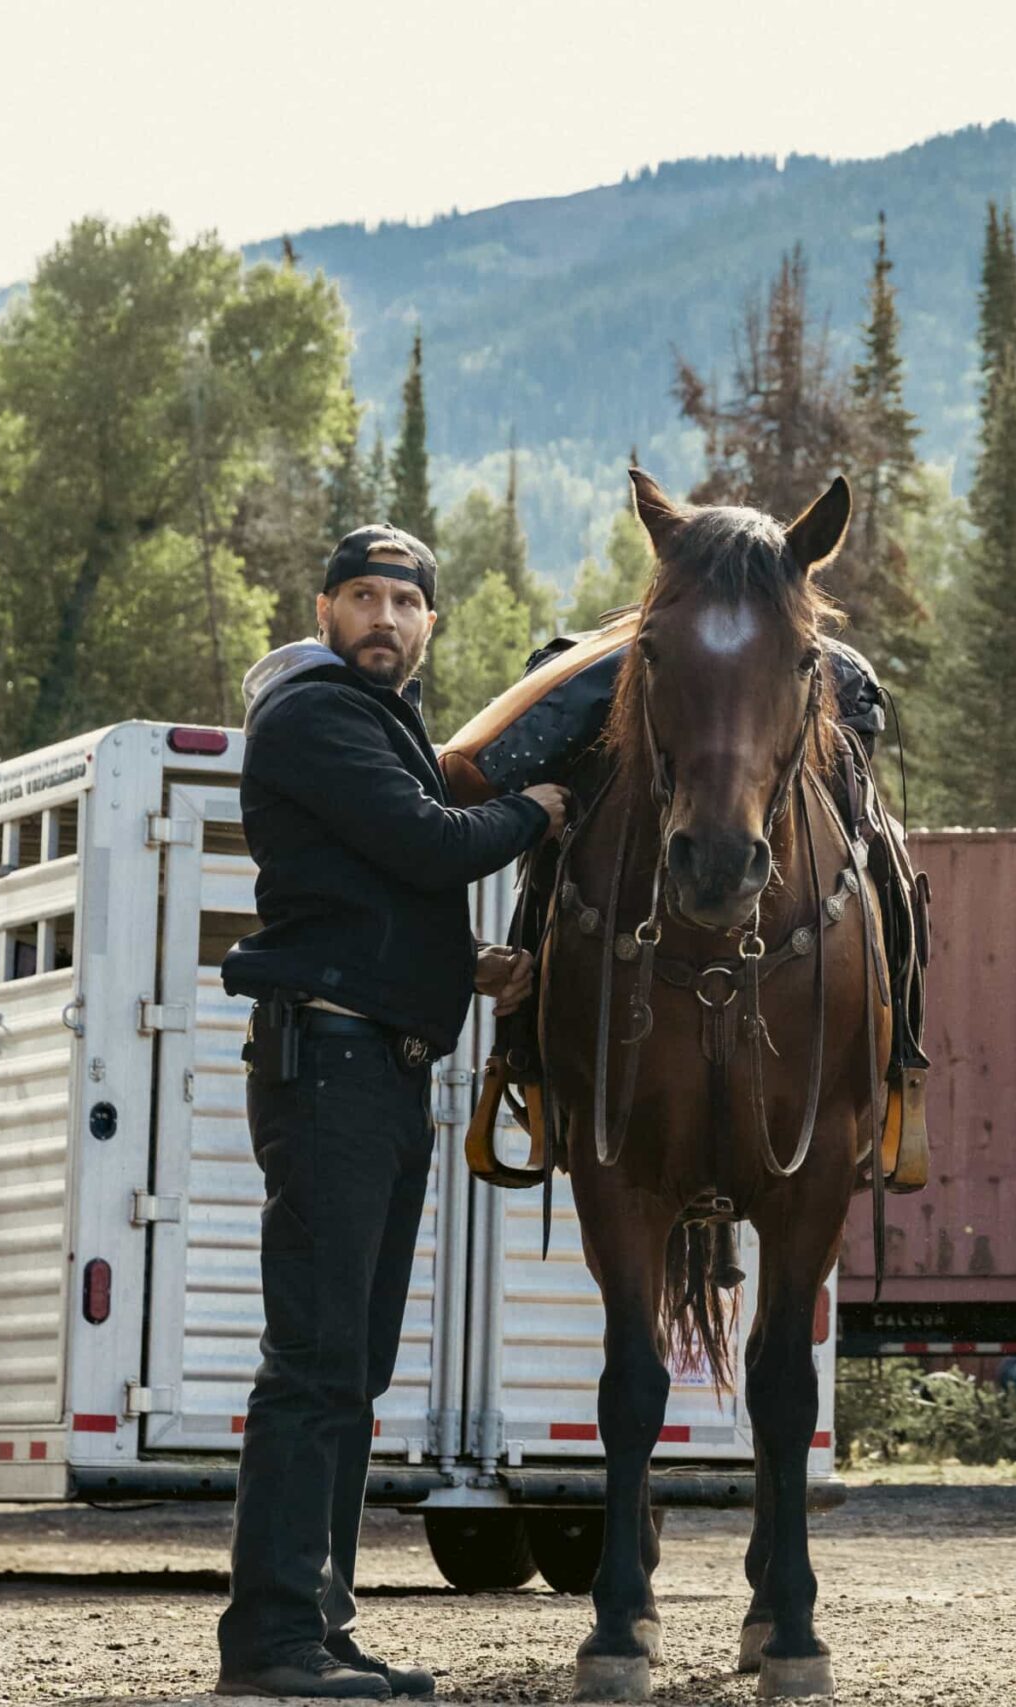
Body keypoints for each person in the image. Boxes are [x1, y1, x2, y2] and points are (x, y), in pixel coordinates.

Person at [215, 524, 569, 1699]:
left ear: (431, 625)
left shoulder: (380, 723)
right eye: (361, 596)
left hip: (373, 1061)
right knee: (315, 1364)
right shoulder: (316, 714)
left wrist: (463, 967)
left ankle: (317, 1626)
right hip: (332, 1067)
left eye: (403, 603)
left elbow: (354, 885)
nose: (383, 617)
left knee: (351, 1368)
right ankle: (268, 1646)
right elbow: (424, 846)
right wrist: (540, 805)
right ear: (324, 612)